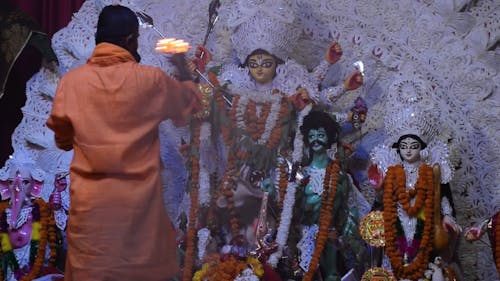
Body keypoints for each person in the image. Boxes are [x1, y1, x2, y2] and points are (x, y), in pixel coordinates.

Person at [46, 5, 201, 281]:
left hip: (92, 226)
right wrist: (181, 65)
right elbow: (190, 103)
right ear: (131, 40)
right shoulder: (150, 80)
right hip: (139, 224)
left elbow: (63, 141)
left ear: (98, 37)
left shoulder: (71, 84)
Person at [368, 75, 461, 280]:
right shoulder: (392, 171)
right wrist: (378, 194)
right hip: (397, 225)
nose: (408, 151)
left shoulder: (431, 170)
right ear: (398, 149)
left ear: (422, 148)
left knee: (425, 266)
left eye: (413, 146)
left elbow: (442, 197)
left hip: (424, 223)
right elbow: (382, 203)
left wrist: (447, 216)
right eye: (404, 147)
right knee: (397, 263)